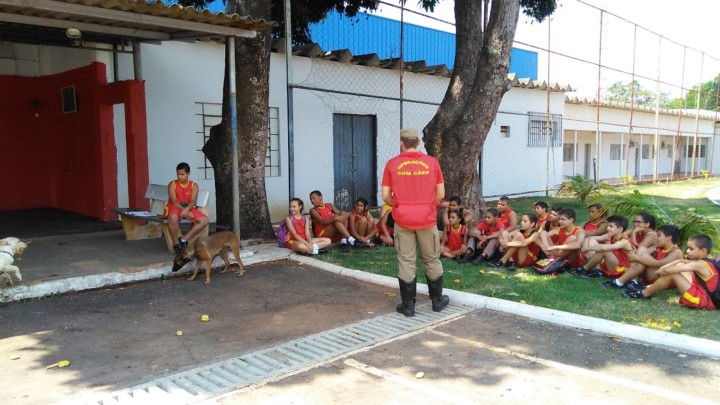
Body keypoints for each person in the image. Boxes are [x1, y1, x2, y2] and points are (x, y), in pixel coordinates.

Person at [382, 127, 448, 317]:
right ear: (418, 142)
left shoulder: (392, 164)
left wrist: (398, 205)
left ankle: (408, 306)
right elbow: (440, 194)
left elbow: (385, 196)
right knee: (432, 259)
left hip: (403, 219)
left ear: (401, 143)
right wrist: (429, 206)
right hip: (426, 219)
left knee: (406, 260)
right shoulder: (432, 163)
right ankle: (437, 301)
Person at [622, 234, 719, 310]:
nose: (688, 251)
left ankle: (644, 293)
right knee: (678, 266)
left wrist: (660, 271)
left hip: (701, 300)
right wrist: (679, 261)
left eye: (691, 249)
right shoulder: (708, 262)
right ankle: (646, 290)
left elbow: (667, 270)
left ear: (703, 250)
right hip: (708, 299)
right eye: (688, 248)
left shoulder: (699, 264)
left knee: (673, 273)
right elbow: (681, 263)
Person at [602, 224, 683, 291]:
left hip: (660, 279)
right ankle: (633, 281)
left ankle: (620, 282)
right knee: (642, 249)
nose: (656, 238)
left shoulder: (676, 252)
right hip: (651, 275)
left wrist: (636, 258)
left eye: (659, 236)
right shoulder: (658, 247)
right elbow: (640, 252)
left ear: (669, 238)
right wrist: (635, 257)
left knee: (643, 256)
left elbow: (660, 263)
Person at [167, 162, 209, 254]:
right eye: (178, 174)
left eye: (182, 174)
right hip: (175, 207)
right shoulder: (172, 184)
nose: (179, 177)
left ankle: (183, 240)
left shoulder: (194, 185)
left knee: (204, 220)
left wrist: (187, 210)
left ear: (188, 174)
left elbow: (193, 201)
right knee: (172, 217)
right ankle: (176, 243)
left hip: (188, 208)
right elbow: (174, 201)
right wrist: (184, 210)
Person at [576, 215, 634, 279]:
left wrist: (586, 248)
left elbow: (603, 248)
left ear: (620, 229)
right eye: (608, 226)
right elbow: (590, 238)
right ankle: (597, 270)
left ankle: (584, 269)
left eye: (611, 226)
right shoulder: (611, 236)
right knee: (591, 240)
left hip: (621, 269)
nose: (608, 228)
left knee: (604, 250)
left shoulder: (624, 242)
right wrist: (585, 243)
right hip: (612, 263)